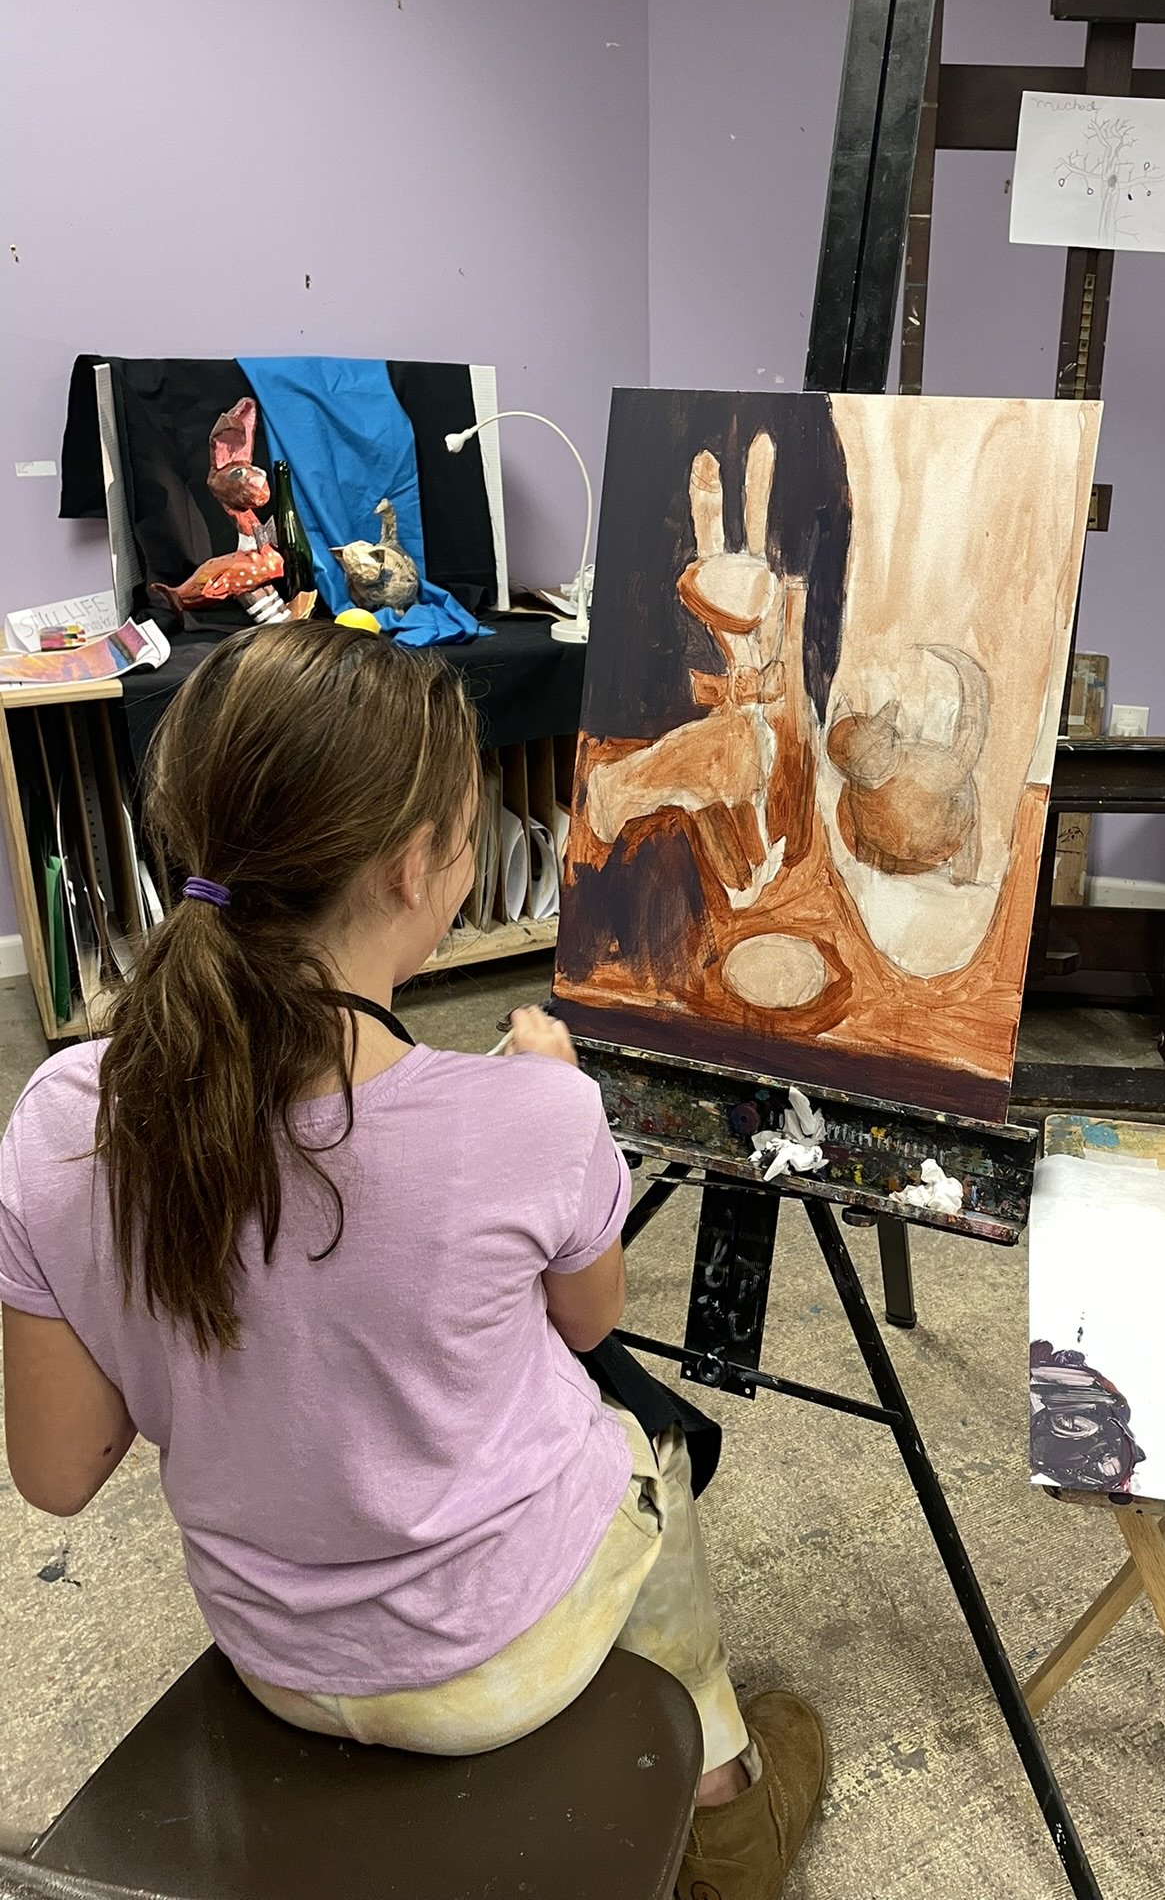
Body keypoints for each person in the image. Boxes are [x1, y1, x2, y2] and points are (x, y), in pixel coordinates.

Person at [0, 625, 825, 1900]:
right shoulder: (531, 1120)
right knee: (642, 1446)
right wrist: (554, 1110)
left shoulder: (63, 1115)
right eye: (472, 817)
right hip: (498, 1663)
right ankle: (721, 1806)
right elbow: (592, 1318)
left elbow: (58, 1472)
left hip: (275, 1654)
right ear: (414, 866)